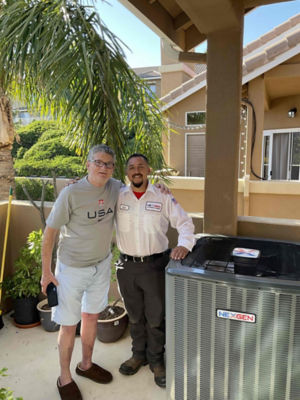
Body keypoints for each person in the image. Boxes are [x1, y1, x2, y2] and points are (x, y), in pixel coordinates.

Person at [41, 144, 121, 400]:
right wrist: (46, 272)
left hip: (100, 265)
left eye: (108, 164)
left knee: (90, 317)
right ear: (87, 164)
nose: (104, 167)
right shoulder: (71, 193)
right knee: (68, 325)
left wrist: (159, 189)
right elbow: (50, 232)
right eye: (98, 162)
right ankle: (65, 379)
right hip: (71, 269)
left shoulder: (116, 187)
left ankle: (86, 365)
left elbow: (141, 191)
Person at [116, 153, 195, 388]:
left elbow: (185, 223)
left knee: (155, 318)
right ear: (127, 172)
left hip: (154, 266)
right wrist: (76, 184)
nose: (136, 170)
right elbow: (93, 198)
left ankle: (156, 361)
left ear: (149, 170)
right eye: (131, 167)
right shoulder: (117, 195)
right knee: (134, 315)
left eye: (141, 166)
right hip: (126, 266)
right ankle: (138, 355)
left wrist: (184, 245)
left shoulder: (162, 195)